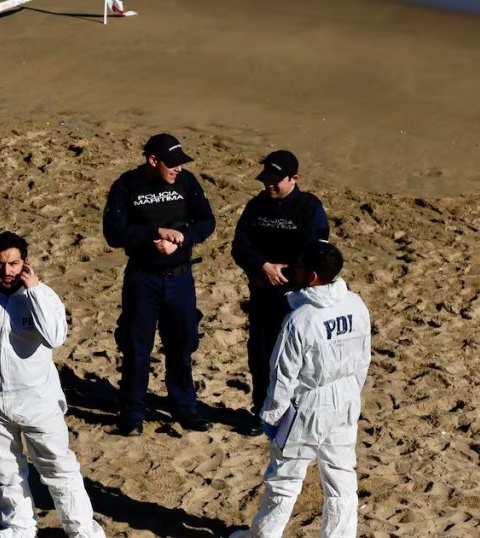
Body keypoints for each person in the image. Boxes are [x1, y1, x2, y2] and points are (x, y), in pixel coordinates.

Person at [0, 231, 105, 538]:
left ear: (25, 262)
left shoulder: (44, 296)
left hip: (38, 400)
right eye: (0, 264)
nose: (7, 271)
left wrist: (34, 290)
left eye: (13, 263)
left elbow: (55, 337)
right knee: (4, 471)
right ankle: (18, 528)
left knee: (58, 468)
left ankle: (81, 530)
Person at [231, 240, 371, 538]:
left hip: (308, 406)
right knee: (341, 477)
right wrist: (351, 394)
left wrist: (271, 417)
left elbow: (283, 376)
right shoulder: (356, 304)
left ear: (312, 277)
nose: (294, 270)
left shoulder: (301, 320)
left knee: (285, 480)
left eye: (300, 266)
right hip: (345, 400)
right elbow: (363, 358)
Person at [103, 133, 216, 436]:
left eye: (181, 163)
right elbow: (113, 233)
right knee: (137, 347)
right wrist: (154, 234)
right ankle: (132, 413)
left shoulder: (187, 182)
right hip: (142, 279)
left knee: (181, 345)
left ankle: (185, 408)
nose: (178, 169)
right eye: (172, 164)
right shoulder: (127, 185)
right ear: (153, 161)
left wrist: (182, 240)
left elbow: (207, 222)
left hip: (180, 278)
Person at [231, 150, 329, 436]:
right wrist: (262, 266)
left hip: (297, 299)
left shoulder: (309, 207)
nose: (269, 185)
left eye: (276, 180)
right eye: (266, 179)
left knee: (296, 358)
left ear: (294, 178)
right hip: (263, 295)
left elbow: (317, 248)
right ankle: (261, 411)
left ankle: (297, 414)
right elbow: (240, 246)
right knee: (261, 356)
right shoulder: (256, 206)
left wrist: (284, 270)